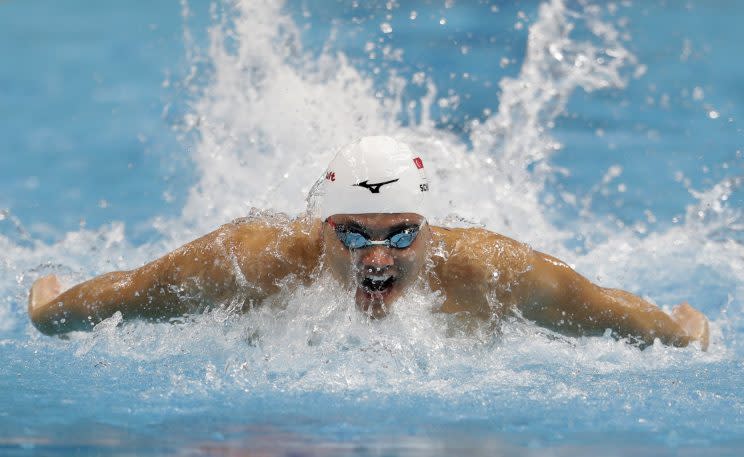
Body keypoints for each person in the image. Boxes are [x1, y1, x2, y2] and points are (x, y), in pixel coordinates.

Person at [28, 136, 710, 349]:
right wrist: (49, 310)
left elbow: (607, 309)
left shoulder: (493, 270)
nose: (376, 258)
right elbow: (135, 290)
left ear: (430, 232)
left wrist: (681, 332)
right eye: (351, 233)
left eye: (399, 235)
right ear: (321, 230)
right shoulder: (253, 259)